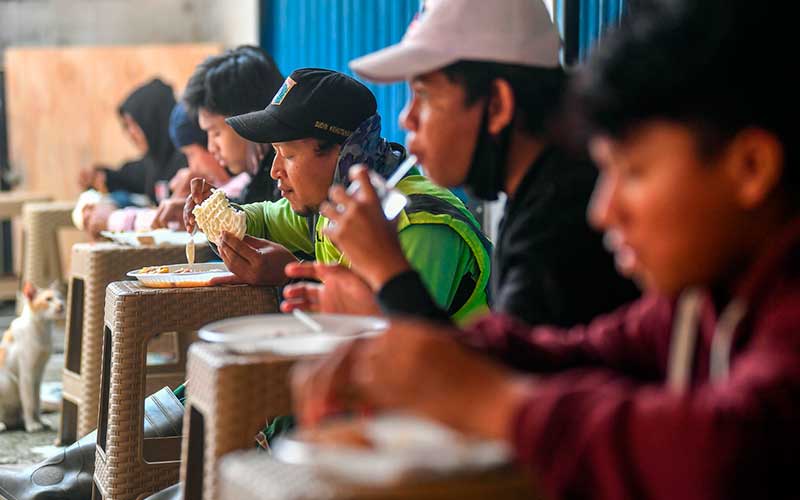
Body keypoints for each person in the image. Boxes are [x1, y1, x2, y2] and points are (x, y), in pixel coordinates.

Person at [292, 0, 800, 498]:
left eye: (635, 172)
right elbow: (585, 351)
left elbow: (726, 450)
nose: (602, 212)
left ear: (751, 168)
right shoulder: (700, 301)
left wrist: (495, 401)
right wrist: (430, 354)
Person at [297, 0, 637, 328]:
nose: (407, 118)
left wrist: (390, 273)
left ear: (497, 106)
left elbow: (504, 381)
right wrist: (375, 307)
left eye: (425, 96)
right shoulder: (540, 194)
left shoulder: (561, 231)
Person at [185, 68, 492, 324]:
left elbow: (394, 347)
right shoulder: (333, 205)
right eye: (275, 154)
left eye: (288, 155)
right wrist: (216, 211)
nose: (275, 171)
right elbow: (261, 219)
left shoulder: (419, 226)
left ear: (346, 155)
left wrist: (291, 278)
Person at [182, 45, 285, 205]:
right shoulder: (257, 176)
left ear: (251, 119)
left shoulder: (287, 180)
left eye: (216, 133)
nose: (211, 147)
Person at [79, 78, 185, 204]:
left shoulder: (187, 160)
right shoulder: (155, 163)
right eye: (126, 127)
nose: (130, 134)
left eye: (134, 125)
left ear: (152, 120)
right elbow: (129, 176)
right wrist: (103, 176)